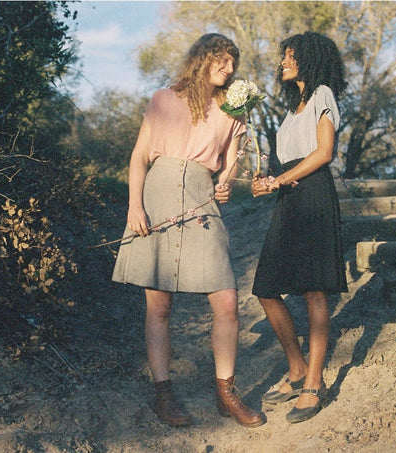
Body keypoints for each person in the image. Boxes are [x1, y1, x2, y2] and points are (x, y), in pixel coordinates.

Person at [112, 33, 265, 428]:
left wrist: (226, 182)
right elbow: (139, 156)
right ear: (203, 58)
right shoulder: (164, 99)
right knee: (159, 306)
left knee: (227, 301)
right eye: (223, 60)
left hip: (201, 201)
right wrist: (134, 206)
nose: (229, 69)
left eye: (234, 63)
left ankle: (225, 393)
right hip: (158, 197)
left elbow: (230, 162)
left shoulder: (234, 109)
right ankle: (164, 394)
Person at [251, 31, 348, 424]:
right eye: (283, 56)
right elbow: (287, 163)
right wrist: (267, 180)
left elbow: (324, 153)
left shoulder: (323, 93)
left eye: (290, 56)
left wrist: (281, 179)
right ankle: (295, 368)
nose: (283, 62)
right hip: (289, 198)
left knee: (314, 289)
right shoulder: (294, 108)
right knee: (266, 288)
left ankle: (314, 382)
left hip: (314, 197)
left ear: (310, 59)